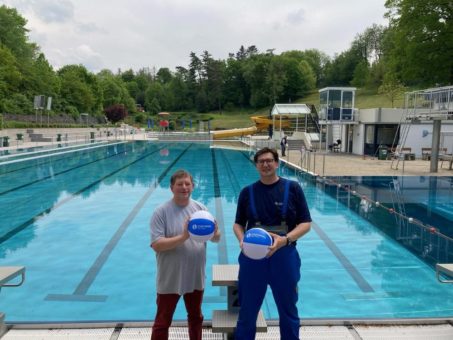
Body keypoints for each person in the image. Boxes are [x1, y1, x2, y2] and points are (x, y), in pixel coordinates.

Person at [233, 147, 312, 339]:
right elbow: (237, 224)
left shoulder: (293, 189)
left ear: (277, 163)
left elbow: (306, 224)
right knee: (247, 312)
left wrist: (285, 240)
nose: (266, 164)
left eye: (269, 160)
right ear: (256, 165)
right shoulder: (247, 192)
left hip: (284, 256)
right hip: (253, 259)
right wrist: (242, 239)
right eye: (261, 161)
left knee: (288, 311)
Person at [150, 169, 221, 340]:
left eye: (187, 184)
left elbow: (216, 239)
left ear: (193, 186)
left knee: (196, 317)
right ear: (171, 187)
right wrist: (184, 237)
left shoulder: (201, 209)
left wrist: (216, 232)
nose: (184, 187)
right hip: (170, 278)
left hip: (195, 276)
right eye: (179, 184)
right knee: (162, 322)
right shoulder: (161, 212)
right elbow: (157, 245)